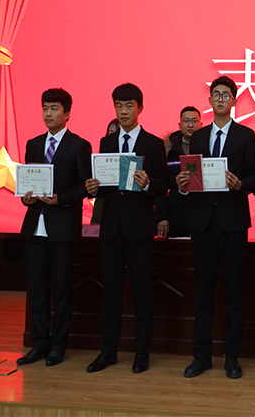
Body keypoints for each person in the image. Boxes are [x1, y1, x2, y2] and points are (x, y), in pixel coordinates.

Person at [177, 77, 255, 380]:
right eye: (216, 94)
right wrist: (183, 185)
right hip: (202, 223)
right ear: (209, 101)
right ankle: (201, 356)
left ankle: (232, 357)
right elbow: (192, 176)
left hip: (232, 223)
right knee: (203, 293)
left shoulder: (246, 135)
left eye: (226, 95)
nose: (221, 99)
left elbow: (254, 176)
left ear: (234, 101)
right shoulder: (198, 137)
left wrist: (241, 185)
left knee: (234, 292)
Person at [85, 83, 168, 374]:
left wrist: (148, 184)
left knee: (142, 292)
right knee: (110, 293)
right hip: (111, 229)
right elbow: (104, 186)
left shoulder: (152, 143)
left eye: (129, 106)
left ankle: (141, 353)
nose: (123, 111)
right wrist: (93, 187)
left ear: (140, 108)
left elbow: (163, 185)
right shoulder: (106, 143)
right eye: (119, 106)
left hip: (139, 229)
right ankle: (108, 352)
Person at [17, 89, 92, 368]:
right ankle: (39, 342)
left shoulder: (79, 146)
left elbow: (85, 186)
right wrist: (26, 197)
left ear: (67, 113)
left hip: (62, 228)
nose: (48, 114)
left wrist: (61, 199)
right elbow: (28, 181)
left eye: (54, 108)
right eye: (45, 108)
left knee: (61, 288)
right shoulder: (34, 144)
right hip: (34, 227)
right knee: (36, 288)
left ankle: (59, 344)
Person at [156, 106, 202, 238]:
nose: (190, 125)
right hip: (174, 214)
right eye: (186, 121)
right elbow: (161, 186)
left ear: (201, 124)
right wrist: (162, 217)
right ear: (180, 124)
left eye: (194, 121)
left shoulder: (207, 147)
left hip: (200, 213)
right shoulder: (168, 149)